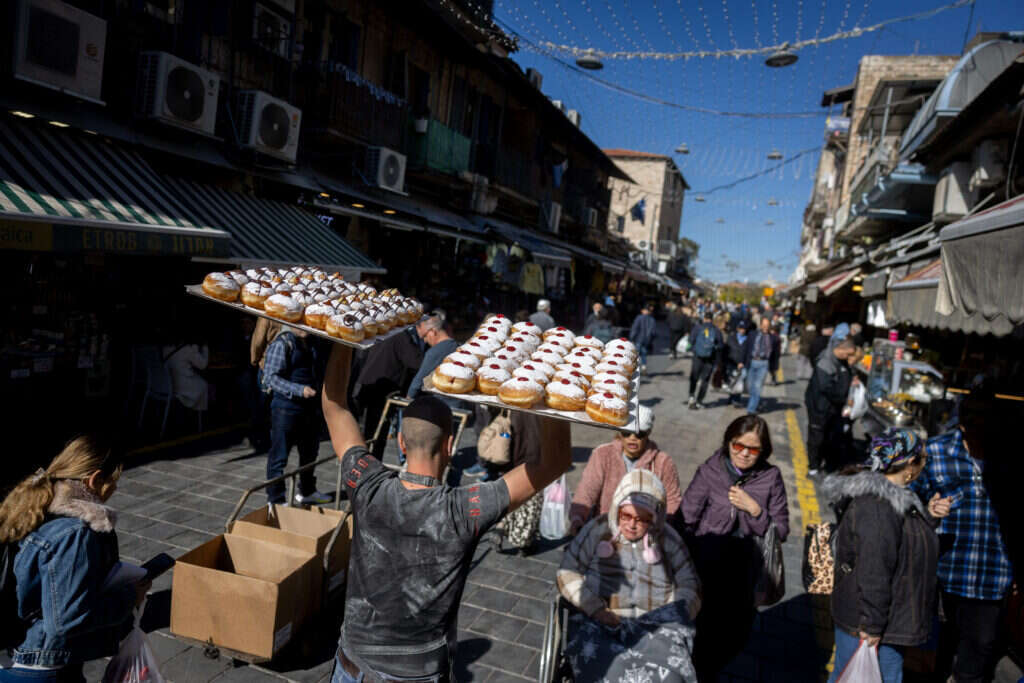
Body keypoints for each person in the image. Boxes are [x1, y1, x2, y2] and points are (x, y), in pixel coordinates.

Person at [320, 345, 572, 682]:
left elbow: (335, 407)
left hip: (352, 668)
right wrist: (547, 387)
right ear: (450, 445)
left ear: (401, 443)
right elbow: (552, 462)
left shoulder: (368, 486)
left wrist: (341, 342)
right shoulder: (465, 509)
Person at [0, 436, 149, 683]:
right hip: (47, 665)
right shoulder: (75, 533)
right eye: (113, 482)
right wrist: (130, 596)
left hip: (17, 652)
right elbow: (69, 619)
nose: (114, 490)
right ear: (94, 479)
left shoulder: (31, 507)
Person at [911, 389, 1016, 683]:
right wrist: (928, 508)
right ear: (962, 422)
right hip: (944, 572)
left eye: (986, 417)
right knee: (931, 656)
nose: (979, 424)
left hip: (992, 577)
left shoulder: (1011, 458)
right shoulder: (934, 452)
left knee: (977, 656)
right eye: (973, 417)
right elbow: (908, 501)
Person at [558, 469, 701, 683]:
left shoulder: (667, 538)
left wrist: (674, 610)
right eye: (626, 515)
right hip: (601, 620)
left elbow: (690, 582)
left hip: (657, 624)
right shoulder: (598, 529)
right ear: (617, 510)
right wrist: (594, 607)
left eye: (642, 519)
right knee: (606, 671)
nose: (632, 524)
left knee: (671, 676)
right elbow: (567, 572)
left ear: (654, 519)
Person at [822, 429, 938, 683]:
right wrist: (873, 625)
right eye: (924, 459)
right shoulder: (878, 506)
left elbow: (901, 544)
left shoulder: (897, 498)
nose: (925, 465)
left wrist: (930, 516)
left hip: (884, 619)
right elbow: (874, 568)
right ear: (909, 463)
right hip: (873, 624)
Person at [680, 414, 790, 678]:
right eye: (737, 445)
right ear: (729, 442)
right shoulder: (710, 471)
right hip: (707, 567)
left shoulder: (771, 477)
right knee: (702, 634)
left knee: (736, 636)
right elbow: (685, 519)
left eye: (752, 449)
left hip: (747, 572)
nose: (743, 454)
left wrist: (755, 510)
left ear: (763, 451)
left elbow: (782, 529)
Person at [569, 406, 682, 533]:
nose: (632, 438)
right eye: (627, 433)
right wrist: (577, 518)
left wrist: (661, 527)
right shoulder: (602, 455)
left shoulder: (663, 462)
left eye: (639, 434)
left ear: (648, 433)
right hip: (605, 530)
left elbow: (673, 501)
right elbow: (586, 491)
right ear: (619, 432)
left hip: (644, 532)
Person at [263, 326, 330, 505]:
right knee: (279, 457)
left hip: (310, 409)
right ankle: (276, 500)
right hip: (286, 409)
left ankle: (307, 491)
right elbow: (271, 378)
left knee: (309, 453)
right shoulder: (282, 343)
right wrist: (299, 390)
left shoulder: (313, 342)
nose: (305, 328)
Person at [353, 324, 424, 458]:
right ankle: (369, 468)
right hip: (381, 391)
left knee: (366, 434)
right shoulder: (401, 335)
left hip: (366, 385)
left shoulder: (384, 329)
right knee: (375, 436)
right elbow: (417, 362)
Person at [805, 337, 857, 476]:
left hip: (833, 408)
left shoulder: (841, 361)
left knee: (828, 436)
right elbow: (826, 387)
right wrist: (843, 398)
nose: (849, 357)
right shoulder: (825, 362)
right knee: (816, 437)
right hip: (820, 407)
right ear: (841, 349)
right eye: (848, 354)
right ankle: (813, 468)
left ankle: (824, 464)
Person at [497, 411, 544, 552]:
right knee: (529, 505)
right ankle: (522, 542)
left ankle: (501, 526)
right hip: (532, 464)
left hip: (510, 461)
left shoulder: (514, 407)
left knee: (510, 498)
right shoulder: (543, 414)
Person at [406, 313, 458, 400]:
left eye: (425, 336)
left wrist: (408, 399)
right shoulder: (456, 345)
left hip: (445, 404)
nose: (425, 341)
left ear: (433, 331)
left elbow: (418, 382)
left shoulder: (435, 352)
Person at [687, 311, 723, 410]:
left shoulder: (698, 327)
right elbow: (720, 345)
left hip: (697, 357)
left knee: (694, 376)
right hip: (710, 359)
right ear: (712, 319)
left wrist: (694, 349)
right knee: (705, 380)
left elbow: (691, 340)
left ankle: (691, 396)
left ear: (704, 318)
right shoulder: (716, 330)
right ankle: (699, 401)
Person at [163, 339, 209, 413]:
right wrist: (205, 346)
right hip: (182, 387)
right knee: (205, 385)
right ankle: (201, 415)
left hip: (168, 384)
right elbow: (203, 365)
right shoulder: (187, 348)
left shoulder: (166, 346)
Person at [745, 316, 775, 414]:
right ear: (760, 325)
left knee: (757, 387)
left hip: (763, 363)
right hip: (752, 361)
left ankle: (751, 409)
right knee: (750, 387)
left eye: (767, 325)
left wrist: (774, 368)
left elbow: (775, 354)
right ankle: (754, 403)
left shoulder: (772, 337)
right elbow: (746, 348)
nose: (765, 327)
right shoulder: (752, 334)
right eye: (764, 325)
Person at [724, 320, 753, 408]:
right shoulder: (731, 337)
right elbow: (726, 350)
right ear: (737, 329)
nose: (742, 330)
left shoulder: (748, 339)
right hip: (731, 363)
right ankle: (731, 397)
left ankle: (736, 399)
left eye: (744, 329)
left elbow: (749, 353)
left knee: (740, 382)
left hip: (742, 364)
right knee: (732, 381)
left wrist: (744, 363)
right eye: (740, 328)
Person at [630, 304, 656, 373]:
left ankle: (635, 368)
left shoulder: (639, 318)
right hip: (647, 340)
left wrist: (632, 338)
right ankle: (644, 366)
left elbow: (635, 329)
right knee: (644, 353)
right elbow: (653, 332)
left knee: (636, 353)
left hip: (638, 338)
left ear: (643, 311)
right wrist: (651, 339)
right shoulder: (652, 319)